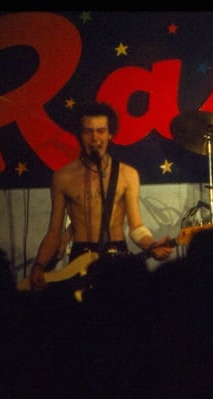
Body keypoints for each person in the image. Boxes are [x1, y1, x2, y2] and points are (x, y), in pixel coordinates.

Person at [29, 102, 172, 291]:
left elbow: (136, 227)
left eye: (101, 131)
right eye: (88, 131)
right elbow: (54, 232)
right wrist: (39, 266)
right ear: (79, 135)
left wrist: (152, 245)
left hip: (117, 255)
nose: (95, 138)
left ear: (110, 135)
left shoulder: (127, 174)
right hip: (80, 257)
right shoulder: (62, 177)